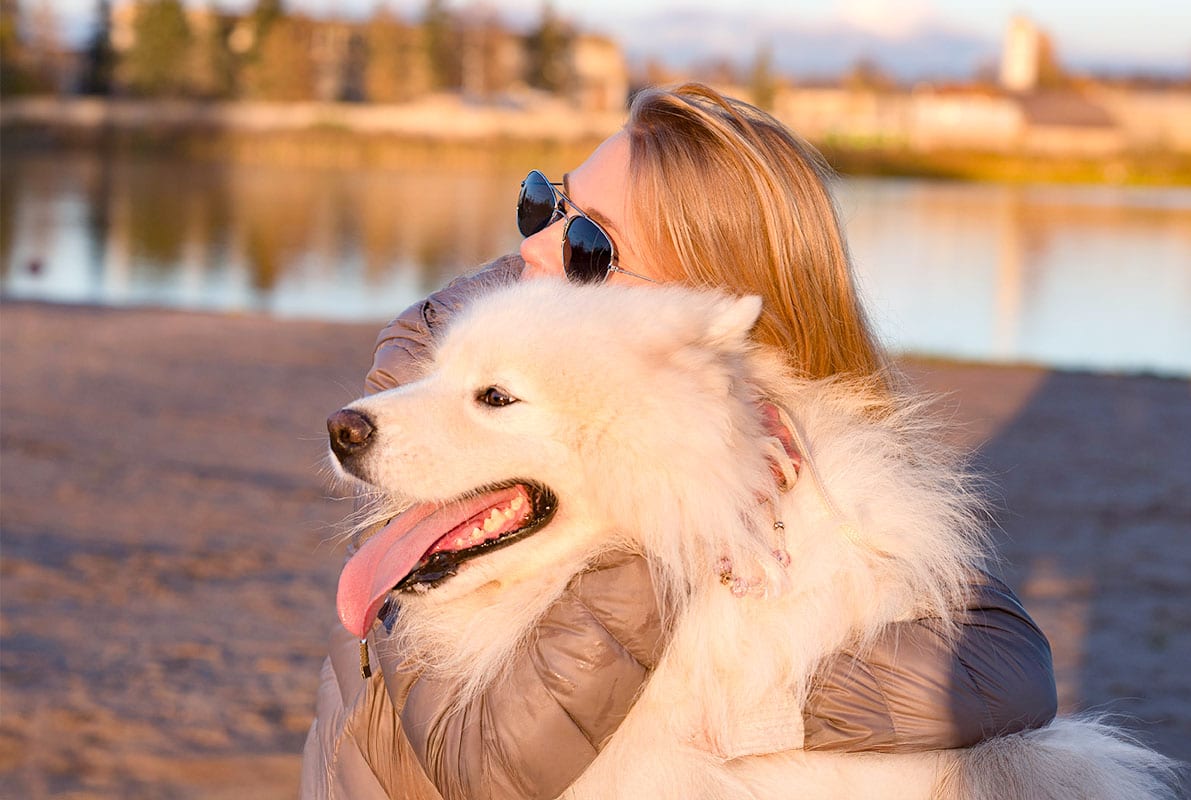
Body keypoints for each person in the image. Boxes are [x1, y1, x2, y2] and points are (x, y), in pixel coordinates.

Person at [301, 83, 1057, 800]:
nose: (534, 248)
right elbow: (484, 762)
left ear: (696, 311)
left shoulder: (783, 434)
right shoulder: (439, 346)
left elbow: (1006, 669)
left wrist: (754, 710)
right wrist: (684, 505)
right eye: (546, 201)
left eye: (591, 243)